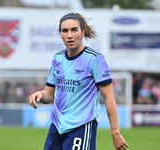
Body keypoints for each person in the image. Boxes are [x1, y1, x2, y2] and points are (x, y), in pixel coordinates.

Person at [29, 12, 129, 150]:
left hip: (81, 127)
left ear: (82, 32)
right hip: (57, 127)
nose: (69, 35)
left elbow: (109, 97)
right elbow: (49, 93)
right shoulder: (57, 59)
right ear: (60, 34)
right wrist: (40, 94)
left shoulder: (95, 59)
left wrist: (115, 131)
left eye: (74, 30)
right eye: (65, 31)